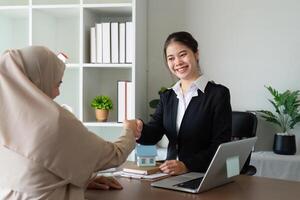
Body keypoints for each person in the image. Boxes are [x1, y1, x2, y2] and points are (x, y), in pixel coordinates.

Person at [0, 46, 138, 199]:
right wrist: (129, 130)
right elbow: (112, 156)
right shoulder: (54, 122)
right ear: (39, 79)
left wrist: (82, 179)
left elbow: (33, 174)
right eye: (57, 83)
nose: (58, 93)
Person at [125, 31, 232, 175]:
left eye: (182, 55)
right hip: (168, 176)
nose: (177, 62)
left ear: (196, 54)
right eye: (171, 58)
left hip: (202, 175)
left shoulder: (218, 94)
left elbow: (220, 145)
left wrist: (186, 165)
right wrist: (139, 128)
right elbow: (153, 133)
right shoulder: (168, 96)